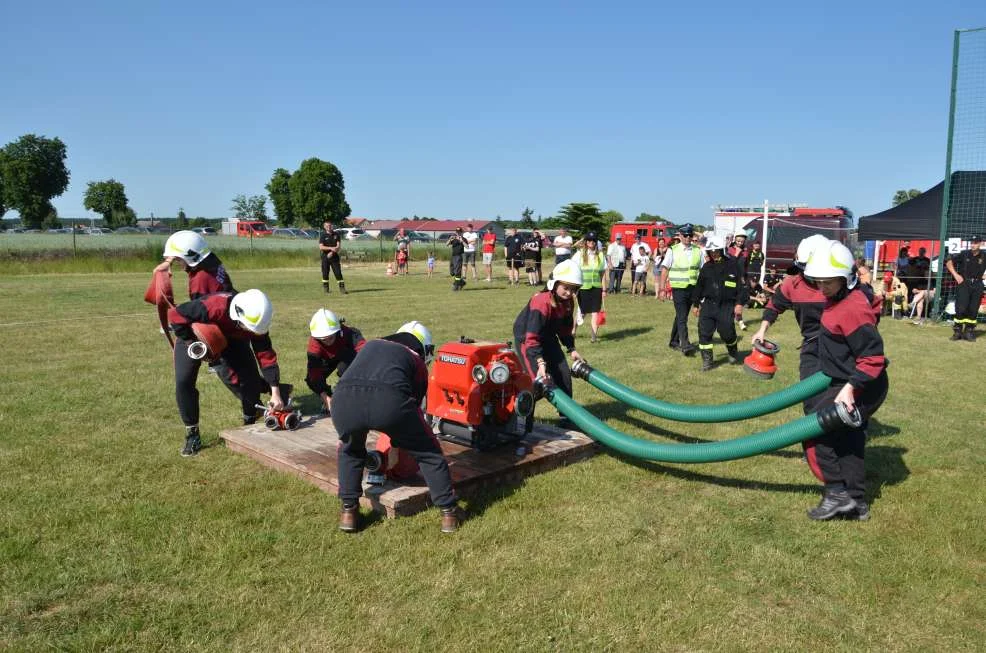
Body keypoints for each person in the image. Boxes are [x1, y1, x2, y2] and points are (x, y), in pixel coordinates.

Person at [331, 321, 465, 533]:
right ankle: (449, 512)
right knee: (428, 452)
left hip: (343, 398)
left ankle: (349, 512)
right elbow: (414, 407)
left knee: (350, 450)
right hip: (388, 401)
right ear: (423, 348)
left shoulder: (371, 346)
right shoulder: (415, 359)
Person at [801, 240, 888, 521]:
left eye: (828, 283)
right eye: (818, 282)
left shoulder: (852, 309)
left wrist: (851, 389)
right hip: (847, 381)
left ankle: (837, 493)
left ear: (846, 279)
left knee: (815, 429)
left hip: (862, 384)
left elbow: (872, 357)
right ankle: (856, 503)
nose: (822, 288)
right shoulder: (838, 300)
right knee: (848, 441)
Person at [168, 289, 287, 457]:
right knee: (183, 381)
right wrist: (193, 343)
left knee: (249, 380)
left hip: (232, 340)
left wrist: (275, 392)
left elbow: (265, 355)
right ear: (238, 315)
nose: (252, 332)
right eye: (248, 328)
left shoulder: (258, 323)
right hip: (193, 333)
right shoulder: (215, 307)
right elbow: (175, 315)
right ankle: (192, 433)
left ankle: (249, 422)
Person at [513, 259, 583, 429]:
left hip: (548, 337)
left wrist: (571, 349)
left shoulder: (567, 303)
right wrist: (540, 362)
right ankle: (520, 417)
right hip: (528, 339)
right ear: (554, 283)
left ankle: (566, 417)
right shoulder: (541, 302)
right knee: (537, 381)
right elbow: (532, 337)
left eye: (573, 289)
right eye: (566, 288)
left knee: (563, 375)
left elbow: (565, 329)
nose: (569, 293)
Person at [751, 234, 829, 382]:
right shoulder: (792, 284)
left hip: (840, 345)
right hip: (812, 345)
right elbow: (773, 307)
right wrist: (761, 331)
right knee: (810, 394)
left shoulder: (839, 284)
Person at [692, 236, 747, 371]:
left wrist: (739, 303)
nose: (714, 253)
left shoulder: (733, 265)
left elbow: (741, 287)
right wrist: (696, 304)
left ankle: (733, 350)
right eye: (711, 251)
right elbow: (699, 286)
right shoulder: (706, 267)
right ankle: (707, 361)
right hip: (709, 305)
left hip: (726, 306)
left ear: (722, 250)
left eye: (716, 250)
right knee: (704, 332)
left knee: (726, 332)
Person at [305, 308, 366, 415]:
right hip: (326, 359)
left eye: (331, 337)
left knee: (345, 369)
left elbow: (365, 352)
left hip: (345, 355)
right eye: (323, 339)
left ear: (337, 330)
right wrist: (326, 398)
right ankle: (330, 399)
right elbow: (314, 373)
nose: (328, 342)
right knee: (311, 379)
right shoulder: (314, 346)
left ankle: (352, 395)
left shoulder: (348, 333)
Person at [659, 224, 702, 356]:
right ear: (680, 236)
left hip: (692, 288)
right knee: (683, 317)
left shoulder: (698, 250)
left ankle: (673, 341)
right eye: (685, 235)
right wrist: (662, 289)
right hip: (678, 289)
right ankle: (685, 344)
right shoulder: (673, 250)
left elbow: (702, 270)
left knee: (680, 315)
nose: (688, 238)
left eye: (690, 235)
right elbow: (665, 269)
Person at [154, 230, 235, 300]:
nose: (177, 263)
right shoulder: (212, 263)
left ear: (189, 258)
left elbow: (200, 312)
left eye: (178, 259)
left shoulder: (200, 279)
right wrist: (169, 261)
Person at [946, 235, 985, 341]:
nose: (973, 245)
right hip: (964, 283)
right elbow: (949, 262)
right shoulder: (964, 254)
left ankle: (969, 331)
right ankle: (957, 331)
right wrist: (955, 275)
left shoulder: (984, 255)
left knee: (973, 309)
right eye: (971, 242)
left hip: (978, 284)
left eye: (975, 243)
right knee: (961, 308)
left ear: (980, 244)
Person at [574, 232, 609, 343]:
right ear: (586, 242)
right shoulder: (580, 254)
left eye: (593, 240)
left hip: (596, 288)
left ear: (596, 242)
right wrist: (574, 288)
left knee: (595, 312)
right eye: (589, 240)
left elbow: (602, 274)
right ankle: (573, 330)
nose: (591, 242)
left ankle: (593, 337)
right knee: (582, 313)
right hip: (583, 288)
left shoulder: (600, 255)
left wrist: (604, 289)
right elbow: (573, 269)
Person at [318, 221, 347, 294]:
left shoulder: (336, 235)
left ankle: (342, 289)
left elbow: (338, 246)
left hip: (334, 257)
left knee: (338, 273)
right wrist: (331, 248)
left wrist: (332, 252)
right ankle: (326, 289)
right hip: (325, 257)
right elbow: (321, 247)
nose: (329, 227)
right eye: (327, 226)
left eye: (330, 226)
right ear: (324, 227)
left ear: (332, 226)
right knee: (325, 273)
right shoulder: (323, 235)